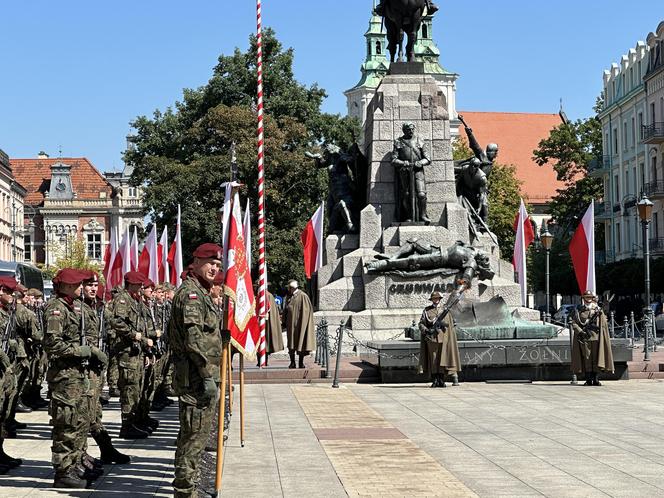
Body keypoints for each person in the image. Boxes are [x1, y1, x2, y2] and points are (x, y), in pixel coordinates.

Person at [170, 243, 223, 498]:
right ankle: (184, 492)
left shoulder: (201, 292)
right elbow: (193, 340)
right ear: (197, 262)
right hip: (195, 378)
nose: (215, 268)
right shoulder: (191, 295)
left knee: (196, 436)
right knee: (192, 438)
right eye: (211, 263)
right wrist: (206, 374)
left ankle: (189, 486)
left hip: (201, 376)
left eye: (218, 265)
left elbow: (206, 333)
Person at [44, 269, 106, 488]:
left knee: (78, 422)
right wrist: (83, 351)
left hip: (76, 377)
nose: (83, 287)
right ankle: (63, 472)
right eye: (79, 284)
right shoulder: (56, 309)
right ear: (67, 286)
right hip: (64, 378)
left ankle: (74, 463)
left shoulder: (71, 306)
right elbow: (53, 345)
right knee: (66, 425)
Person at [79, 271, 130, 465]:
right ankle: (83, 455)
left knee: (95, 410)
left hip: (96, 369)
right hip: (83, 369)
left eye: (95, 285)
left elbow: (115, 323)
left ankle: (105, 449)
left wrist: (134, 335)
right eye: (89, 285)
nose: (93, 288)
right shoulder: (78, 309)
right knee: (85, 413)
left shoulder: (98, 308)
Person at [107, 271, 154, 439]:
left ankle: (135, 421)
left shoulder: (136, 301)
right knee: (129, 389)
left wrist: (146, 349)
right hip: (127, 353)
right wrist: (134, 335)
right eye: (139, 285)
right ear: (131, 285)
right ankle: (127, 426)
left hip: (137, 352)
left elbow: (143, 327)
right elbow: (116, 321)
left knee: (138, 388)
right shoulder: (123, 300)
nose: (142, 288)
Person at [0, 276, 22, 474]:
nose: (13, 296)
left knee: (3, 413)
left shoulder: (8, 313)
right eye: (9, 291)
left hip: (6, 371)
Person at [571, 290, 614, 386]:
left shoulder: (598, 310)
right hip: (585, 337)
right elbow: (574, 323)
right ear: (584, 298)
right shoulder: (579, 310)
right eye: (587, 297)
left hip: (596, 337)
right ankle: (588, 379)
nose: (588, 299)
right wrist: (581, 331)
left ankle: (596, 379)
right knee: (587, 358)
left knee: (596, 358)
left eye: (590, 297)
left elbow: (603, 323)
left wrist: (601, 314)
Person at [418, 291, 461, 388]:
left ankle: (442, 379)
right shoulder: (427, 310)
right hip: (432, 339)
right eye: (434, 298)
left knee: (443, 359)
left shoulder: (445, 310)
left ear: (440, 299)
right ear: (432, 299)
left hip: (443, 339)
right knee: (434, 359)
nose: (436, 300)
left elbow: (450, 324)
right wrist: (426, 330)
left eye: (437, 298)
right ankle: (435, 380)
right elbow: (421, 323)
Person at [391, 122, 431, 223]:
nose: (411, 131)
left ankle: (422, 215)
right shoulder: (398, 142)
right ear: (404, 130)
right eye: (408, 129)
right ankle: (409, 216)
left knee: (421, 194)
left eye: (412, 129)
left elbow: (428, 159)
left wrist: (420, 162)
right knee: (406, 194)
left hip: (418, 171)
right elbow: (393, 160)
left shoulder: (419, 140)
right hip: (405, 171)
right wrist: (402, 162)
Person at [284, 280, 316, 369]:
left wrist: (303, 325)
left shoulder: (303, 296)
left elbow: (306, 312)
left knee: (300, 343)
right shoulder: (289, 297)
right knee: (291, 344)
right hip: (291, 325)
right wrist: (284, 322)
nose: (289, 289)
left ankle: (301, 363)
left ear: (293, 288)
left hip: (300, 325)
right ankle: (292, 362)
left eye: (290, 288)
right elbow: (286, 310)